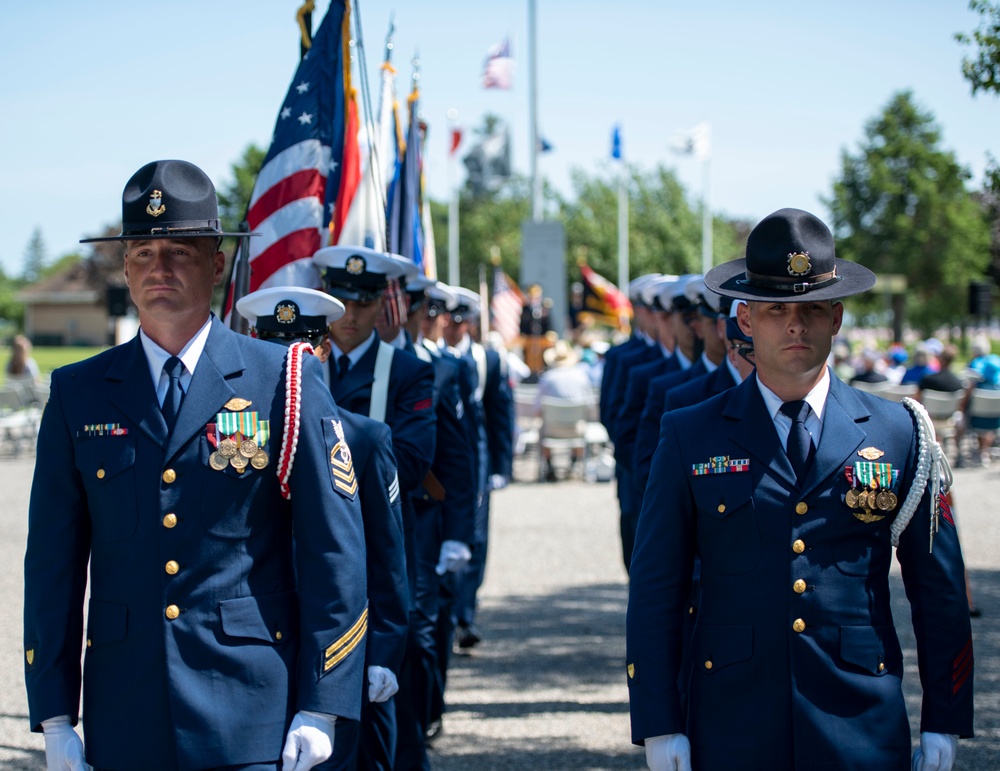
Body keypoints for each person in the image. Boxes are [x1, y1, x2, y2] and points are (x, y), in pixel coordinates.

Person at [23, 160, 369, 771]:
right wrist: (55, 716)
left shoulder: (282, 380)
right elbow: (52, 565)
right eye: (143, 251)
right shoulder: (79, 394)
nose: (159, 268)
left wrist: (323, 704)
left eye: (180, 251)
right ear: (124, 269)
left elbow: (333, 553)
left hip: (251, 709)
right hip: (125, 712)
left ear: (217, 265)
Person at [627, 208, 973, 770]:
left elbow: (939, 590)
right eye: (777, 309)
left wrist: (945, 716)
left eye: (812, 308)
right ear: (745, 321)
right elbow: (655, 589)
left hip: (860, 717)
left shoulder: (898, 431)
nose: (796, 325)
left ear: (836, 318)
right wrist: (659, 722)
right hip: (733, 718)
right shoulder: (691, 432)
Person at [237, 286, 410, 771]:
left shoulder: (362, 438)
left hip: (335, 642)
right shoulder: (233, 437)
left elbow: (385, 555)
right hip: (255, 638)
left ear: (324, 350)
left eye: (302, 348)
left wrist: (385, 647)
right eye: (273, 346)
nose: (288, 360)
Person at [310, 245, 438, 770]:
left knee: (388, 706)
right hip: (316, 552)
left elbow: (409, 460)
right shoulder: (301, 365)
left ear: (380, 304)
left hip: (380, 549)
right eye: (341, 300)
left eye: (362, 303)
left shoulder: (407, 372)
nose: (351, 314)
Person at [535, 339, 595, 481]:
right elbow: (590, 407)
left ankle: (549, 465)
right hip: (576, 430)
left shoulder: (547, 378)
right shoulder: (582, 377)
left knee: (541, 427)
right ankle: (574, 461)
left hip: (552, 430)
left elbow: (537, 410)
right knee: (581, 423)